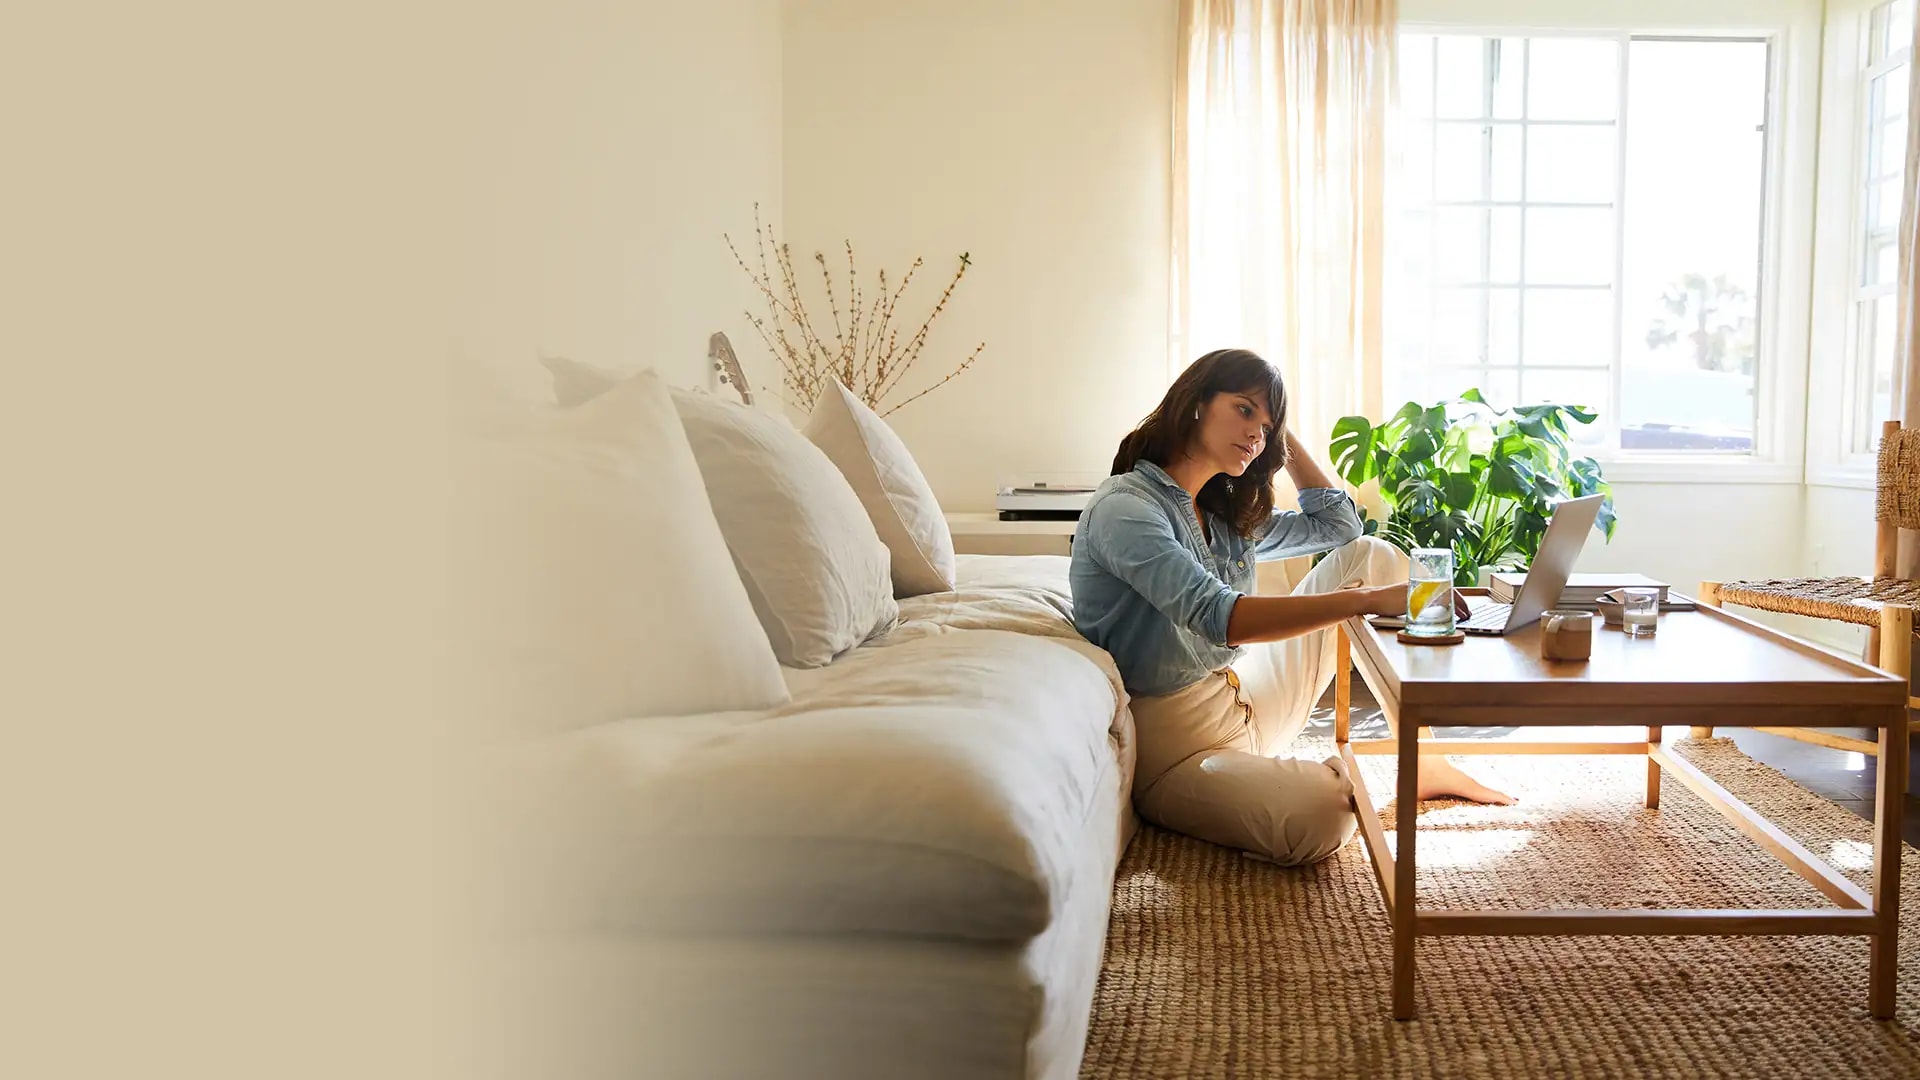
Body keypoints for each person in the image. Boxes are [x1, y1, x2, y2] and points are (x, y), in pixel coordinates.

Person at [1070, 348, 1513, 867]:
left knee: (1371, 555)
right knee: (1323, 815)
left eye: (1267, 422)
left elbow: (1339, 527)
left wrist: (1278, 432)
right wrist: (1363, 601)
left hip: (1244, 697)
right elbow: (1221, 617)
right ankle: (1326, 779)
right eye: (1243, 409)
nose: (1257, 432)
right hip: (1180, 749)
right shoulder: (1127, 508)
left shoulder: (1223, 510)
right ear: (1194, 403)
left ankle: (1426, 761)